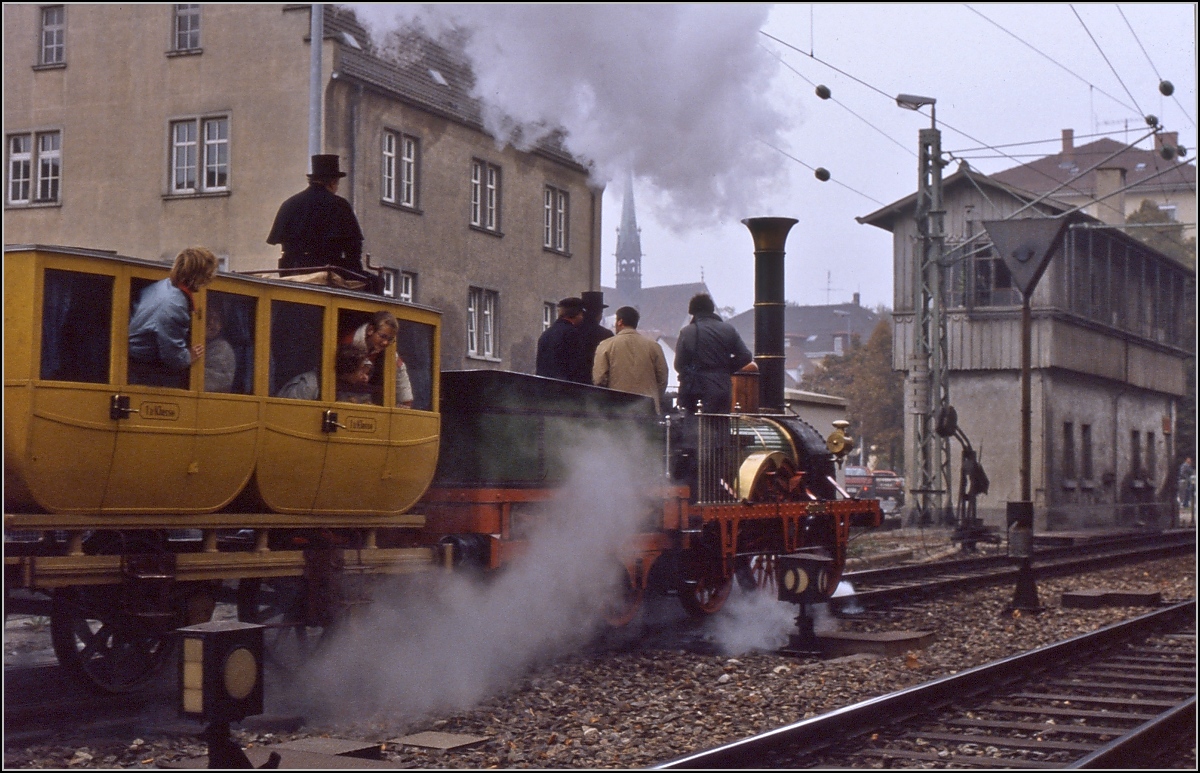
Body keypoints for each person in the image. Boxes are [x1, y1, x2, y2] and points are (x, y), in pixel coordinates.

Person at [266, 154, 374, 290]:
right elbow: (353, 248)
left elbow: (283, 244)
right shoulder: (339, 205)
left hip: (292, 270)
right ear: (332, 182)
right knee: (375, 282)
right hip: (330, 270)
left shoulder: (290, 204)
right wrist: (356, 274)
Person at [128, 246, 218, 388]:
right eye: (207, 276)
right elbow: (173, 357)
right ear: (198, 276)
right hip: (142, 368)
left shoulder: (163, 286)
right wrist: (189, 356)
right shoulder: (174, 306)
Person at [674, 292, 753, 413]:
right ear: (711, 310)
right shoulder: (729, 329)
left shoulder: (687, 332)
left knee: (696, 427)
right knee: (720, 425)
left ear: (693, 313)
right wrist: (725, 369)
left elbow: (678, 365)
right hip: (723, 388)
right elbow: (746, 356)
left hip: (696, 390)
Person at [593, 306, 669, 413]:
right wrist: (655, 398)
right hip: (647, 406)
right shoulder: (654, 346)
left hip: (618, 406)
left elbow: (599, 379)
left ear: (620, 322)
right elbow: (663, 378)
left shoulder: (606, 345)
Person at [343, 310, 414, 408]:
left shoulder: (388, 351)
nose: (385, 343)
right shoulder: (349, 342)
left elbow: (399, 370)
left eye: (390, 339)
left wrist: (405, 401)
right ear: (370, 330)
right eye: (383, 336)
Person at [277, 342, 375, 403]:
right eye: (361, 371)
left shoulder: (347, 387)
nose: (365, 377)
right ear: (347, 371)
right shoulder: (308, 385)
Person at [536, 297, 590, 383]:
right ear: (578, 314)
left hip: (544, 387)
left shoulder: (546, 333)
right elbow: (577, 367)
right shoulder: (573, 334)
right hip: (564, 389)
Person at [203, 304, 236, 393]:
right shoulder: (191, 343)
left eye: (217, 320)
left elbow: (221, 382)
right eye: (208, 318)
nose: (212, 323)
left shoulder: (222, 349)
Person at [579, 290, 614, 373]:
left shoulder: (572, 331)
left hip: (574, 382)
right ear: (600, 314)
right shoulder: (606, 335)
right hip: (597, 381)